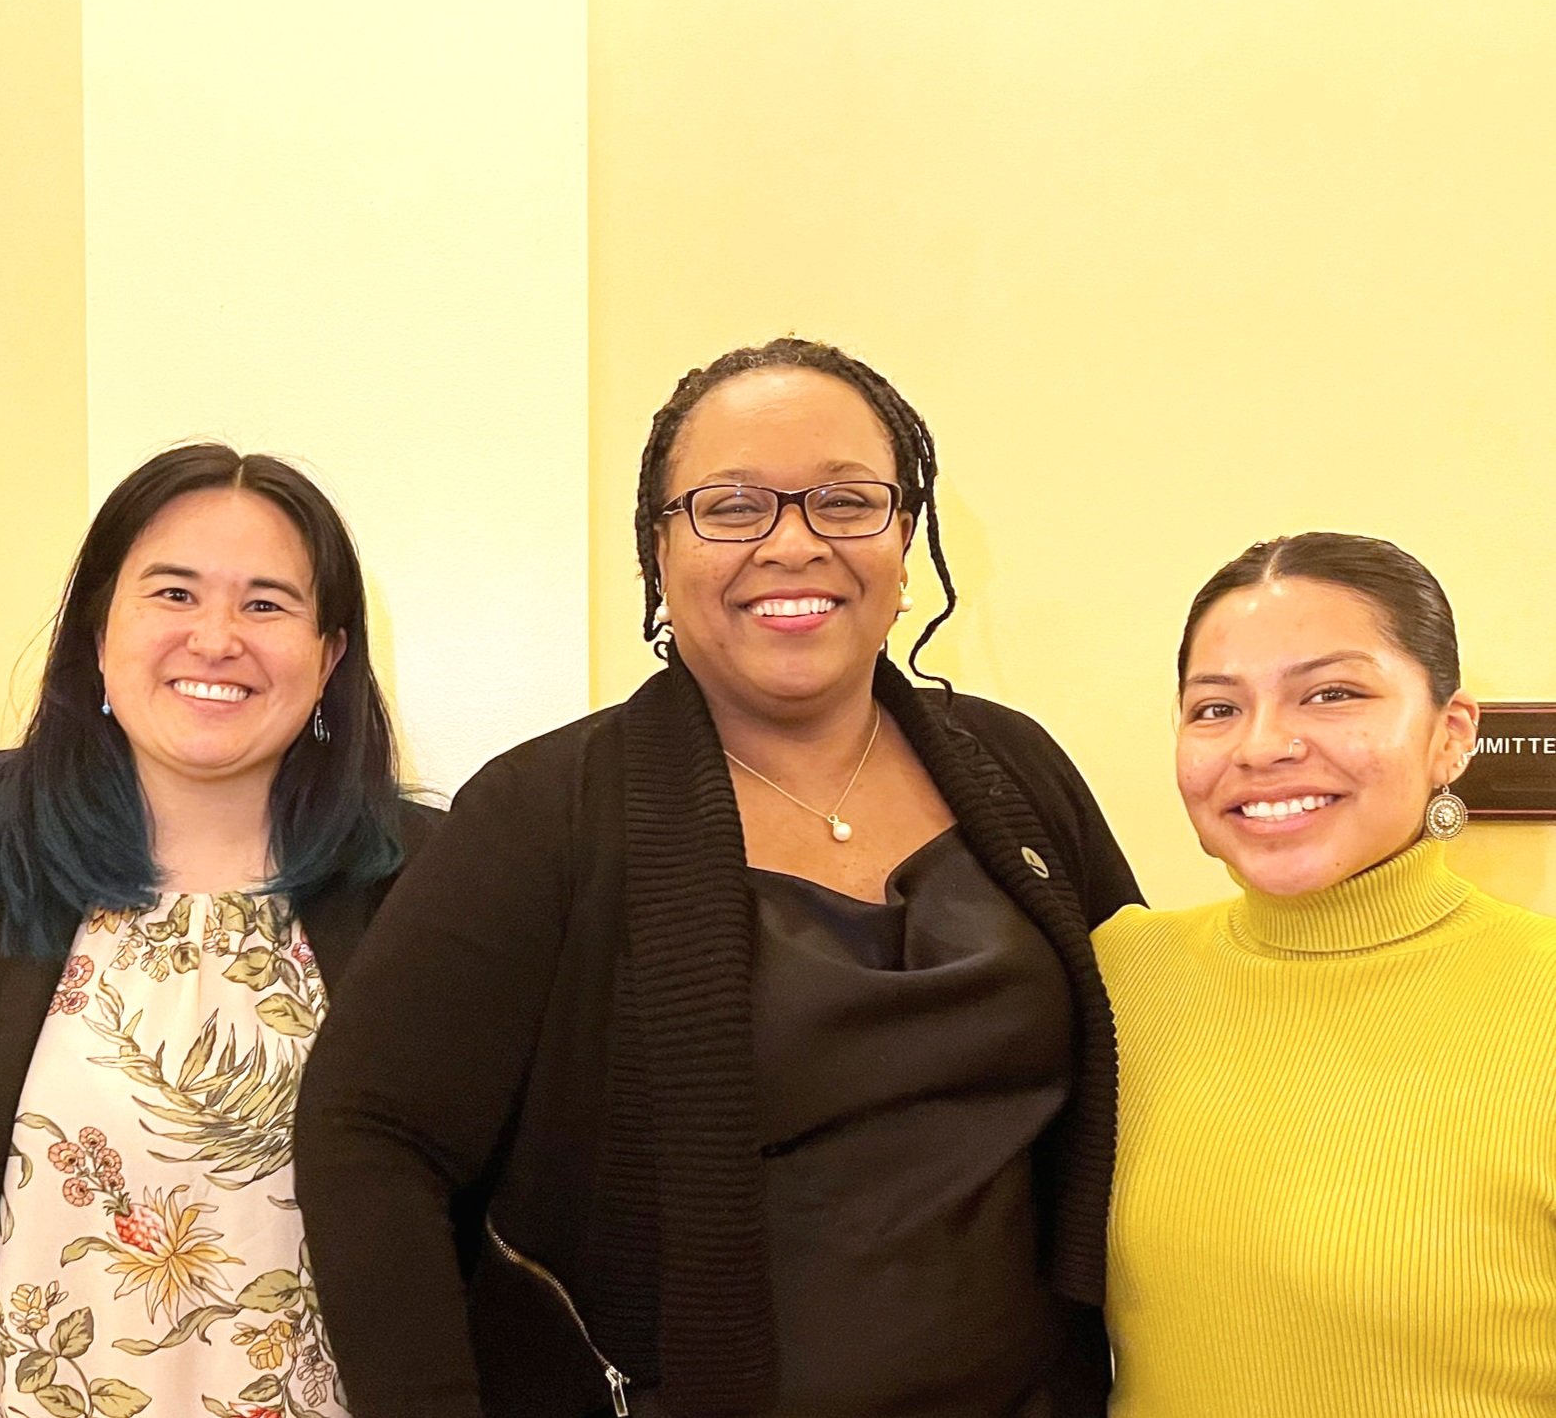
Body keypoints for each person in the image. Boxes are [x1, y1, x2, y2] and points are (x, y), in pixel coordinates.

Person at [296, 337, 1143, 1417]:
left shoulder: (1013, 768)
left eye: (845, 501)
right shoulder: (542, 813)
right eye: (731, 506)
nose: (792, 543)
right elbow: (371, 1136)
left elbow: (1150, 1044)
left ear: (904, 536)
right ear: (657, 553)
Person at [0, 443, 439, 1418]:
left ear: (328, 655)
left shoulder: (425, 884)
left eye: (265, 604)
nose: (215, 638)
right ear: (98, 629)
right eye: (173, 593)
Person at [1096, 532, 1554, 1416]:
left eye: (1331, 693)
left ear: (1450, 735)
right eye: (1215, 707)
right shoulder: (1117, 977)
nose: (1262, 745)